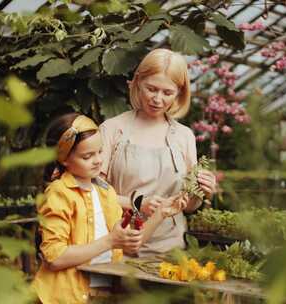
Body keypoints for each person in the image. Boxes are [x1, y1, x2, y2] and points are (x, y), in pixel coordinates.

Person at [32, 113, 177, 303]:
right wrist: (110, 241)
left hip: (105, 293)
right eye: (87, 156)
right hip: (65, 296)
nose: (98, 160)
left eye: (100, 152)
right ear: (64, 159)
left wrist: (160, 214)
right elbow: (55, 257)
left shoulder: (105, 191)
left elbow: (131, 244)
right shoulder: (59, 193)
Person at [99, 48, 217, 257]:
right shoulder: (112, 129)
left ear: (179, 93)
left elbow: (188, 205)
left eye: (167, 93)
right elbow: (93, 193)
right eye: (151, 89)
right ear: (137, 83)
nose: (157, 99)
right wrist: (137, 204)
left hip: (169, 250)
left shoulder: (184, 136)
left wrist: (204, 191)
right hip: (118, 246)